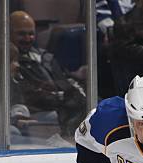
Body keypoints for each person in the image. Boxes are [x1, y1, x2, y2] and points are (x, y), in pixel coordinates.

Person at [10, 10, 86, 138]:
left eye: (31, 34)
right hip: (38, 114)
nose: (28, 39)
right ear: (8, 33)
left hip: (61, 108)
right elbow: (25, 96)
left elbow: (65, 83)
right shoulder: (8, 63)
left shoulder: (45, 57)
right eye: (21, 34)